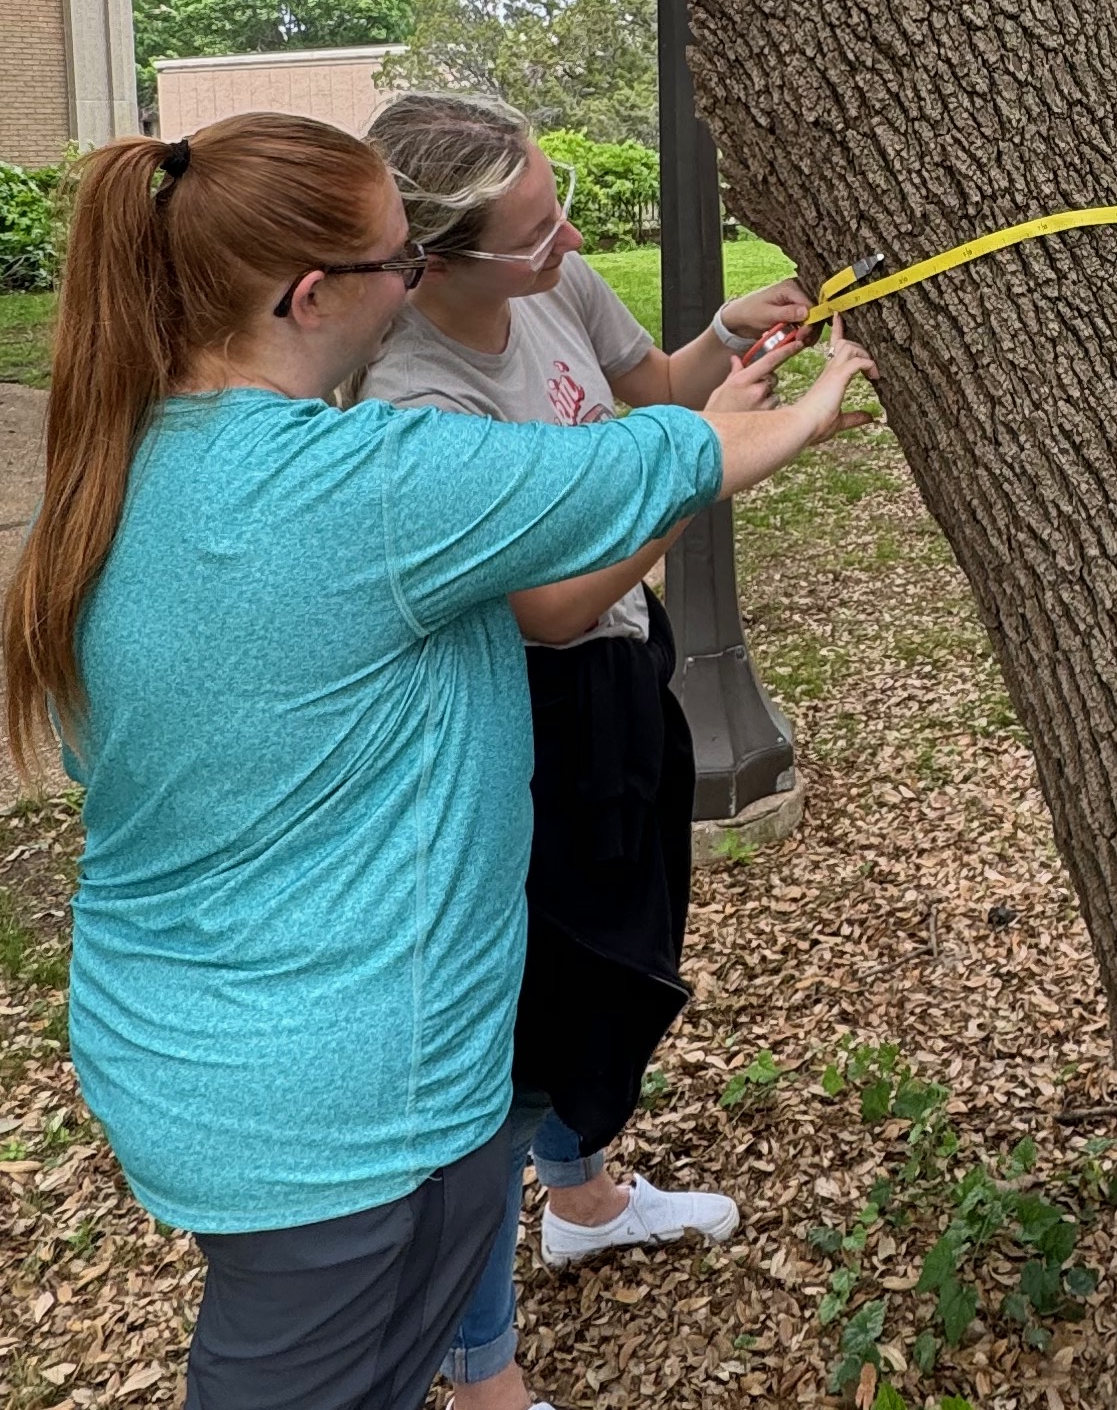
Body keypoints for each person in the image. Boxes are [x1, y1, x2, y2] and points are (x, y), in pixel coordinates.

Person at [1, 111, 876, 1410]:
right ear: (313, 296)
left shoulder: (114, 474)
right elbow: (664, 455)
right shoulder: (375, 480)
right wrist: (816, 399)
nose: (417, 284)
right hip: (340, 1105)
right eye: (401, 262)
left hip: (215, 1061)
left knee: (366, 1361)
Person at [356, 92, 831, 1410]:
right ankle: (482, 1378)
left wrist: (724, 342)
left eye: (560, 205)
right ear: (429, 260)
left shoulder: (556, 289)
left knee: (618, 968)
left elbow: (654, 396)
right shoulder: (417, 397)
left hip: (624, 676)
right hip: (522, 724)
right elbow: (547, 602)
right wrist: (697, 466)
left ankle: (581, 1199)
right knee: (513, 1041)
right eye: (533, 229)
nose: (566, 239)